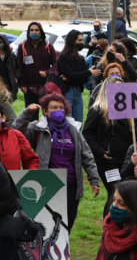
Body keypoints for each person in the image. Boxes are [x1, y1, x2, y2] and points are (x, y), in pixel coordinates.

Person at [15, 90, 101, 230]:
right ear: (45, 111)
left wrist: (94, 179)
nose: (58, 110)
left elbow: (87, 155)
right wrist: (26, 113)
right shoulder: (37, 129)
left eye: (61, 108)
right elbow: (16, 131)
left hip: (72, 185)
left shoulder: (74, 130)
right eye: (54, 108)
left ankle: (61, 251)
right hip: (48, 185)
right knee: (46, 225)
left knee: (67, 224)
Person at [83, 75, 134, 211]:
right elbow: (87, 133)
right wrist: (100, 151)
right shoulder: (98, 109)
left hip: (126, 159)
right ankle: (109, 226)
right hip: (107, 161)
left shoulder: (129, 110)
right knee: (115, 192)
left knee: (126, 194)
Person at [54, 30, 97, 123]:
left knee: (78, 123)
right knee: (68, 122)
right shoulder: (63, 57)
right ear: (72, 41)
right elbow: (72, 75)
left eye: (82, 40)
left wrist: (73, 77)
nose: (82, 43)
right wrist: (86, 73)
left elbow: (80, 77)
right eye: (79, 40)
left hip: (78, 91)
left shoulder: (80, 58)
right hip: (67, 92)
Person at [17, 22, 57, 106]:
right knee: (31, 115)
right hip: (29, 87)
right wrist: (22, 83)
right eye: (31, 30)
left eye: (36, 30)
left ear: (41, 32)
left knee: (46, 113)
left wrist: (47, 72)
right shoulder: (23, 46)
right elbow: (19, 66)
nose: (34, 32)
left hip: (45, 86)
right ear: (28, 32)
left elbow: (55, 64)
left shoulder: (48, 46)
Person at [0, 33, 20, 99]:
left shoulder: (12, 57)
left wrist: (16, 77)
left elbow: (19, 68)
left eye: (0, 42)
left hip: (9, 86)